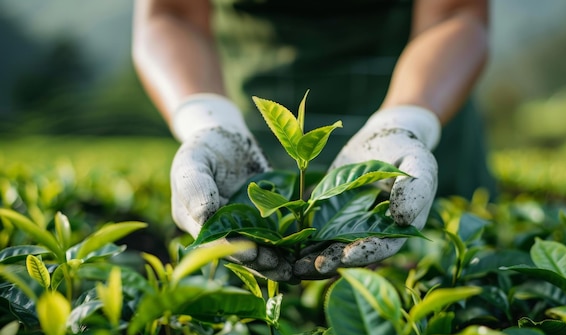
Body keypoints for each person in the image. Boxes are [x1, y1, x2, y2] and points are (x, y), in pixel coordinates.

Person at [132, 0, 496, 281]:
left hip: (421, 110)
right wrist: (206, 119)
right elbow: (171, 13)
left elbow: (457, 12)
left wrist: (408, 121)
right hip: (248, 138)